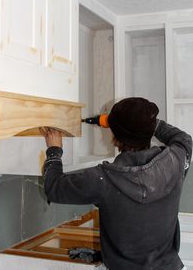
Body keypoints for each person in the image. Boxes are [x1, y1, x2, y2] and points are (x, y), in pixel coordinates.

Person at [41, 97, 192, 270]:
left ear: (114, 136)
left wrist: (54, 150)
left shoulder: (103, 180)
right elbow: (183, 138)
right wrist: (145, 122)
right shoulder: (176, 161)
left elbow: (53, 187)